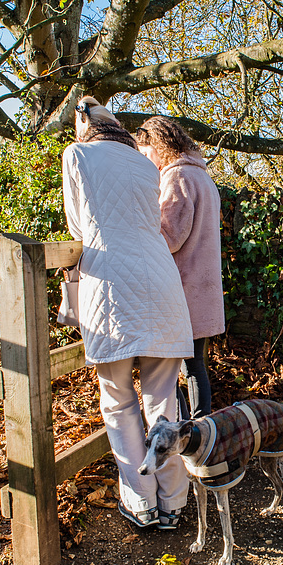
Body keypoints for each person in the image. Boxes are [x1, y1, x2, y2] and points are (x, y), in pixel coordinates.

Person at [62, 97, 193, 530]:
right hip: (162, 282)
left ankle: (142, 503)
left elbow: (78, 229)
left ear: (84, 127)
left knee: (118, 401)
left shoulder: (77, 154)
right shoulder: (145, 164)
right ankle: (173, 504)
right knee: (163, 400)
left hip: (112, 285)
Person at [135, 117, 225, 418]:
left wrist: (143, 223)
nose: (147, 162)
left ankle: (183, 432)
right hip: (204, 286)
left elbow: (171, 236)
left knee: (167, 368)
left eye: (147, 154)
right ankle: (201, 432)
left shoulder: (177, 177)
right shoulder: (202, 176)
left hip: (182, 289)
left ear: (159, 147)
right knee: (194, 365)